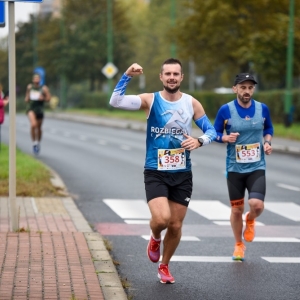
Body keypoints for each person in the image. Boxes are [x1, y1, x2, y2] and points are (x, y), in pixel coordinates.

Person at [109, 58, 216, 284]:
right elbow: (115, 101)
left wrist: (199, 141)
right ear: (161, 77)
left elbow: (212, 131)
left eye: (175, 74)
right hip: (155, 170)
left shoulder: (192, 103)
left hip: (182, 173)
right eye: (167, 74)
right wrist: (126, 75)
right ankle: (155, 237)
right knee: (161, 219)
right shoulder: (151, 100)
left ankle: (164, 266)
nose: (171, 78)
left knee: (176, 225)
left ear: (181, 77)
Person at [214, 73, 273, 261]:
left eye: (250, 88)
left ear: (253, 89)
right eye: (243, 87)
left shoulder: (262, 109)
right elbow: (214, 132)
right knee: (236, 210)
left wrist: (267, 142)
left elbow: (268, 129)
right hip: (234, 169)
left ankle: (252, 218)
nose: (247, 91)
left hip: (256, 166)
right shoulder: (225, 110)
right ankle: (238, 245)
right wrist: (224, 138)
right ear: (235, 89)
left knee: (256, 204)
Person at [25, 74, 51, 154]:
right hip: (31, 108)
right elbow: (26, 99)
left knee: (39, 128)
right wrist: (29, 97)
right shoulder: (30, 87)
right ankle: (34, 143)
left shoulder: (44, 88)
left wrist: (43, 98)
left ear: (40, 80)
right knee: (33, 125)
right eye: (35, 79)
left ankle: (38, 142)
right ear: (33, 80)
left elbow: (48, 98)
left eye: (38, 79)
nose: (36, 80)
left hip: (39, 109)